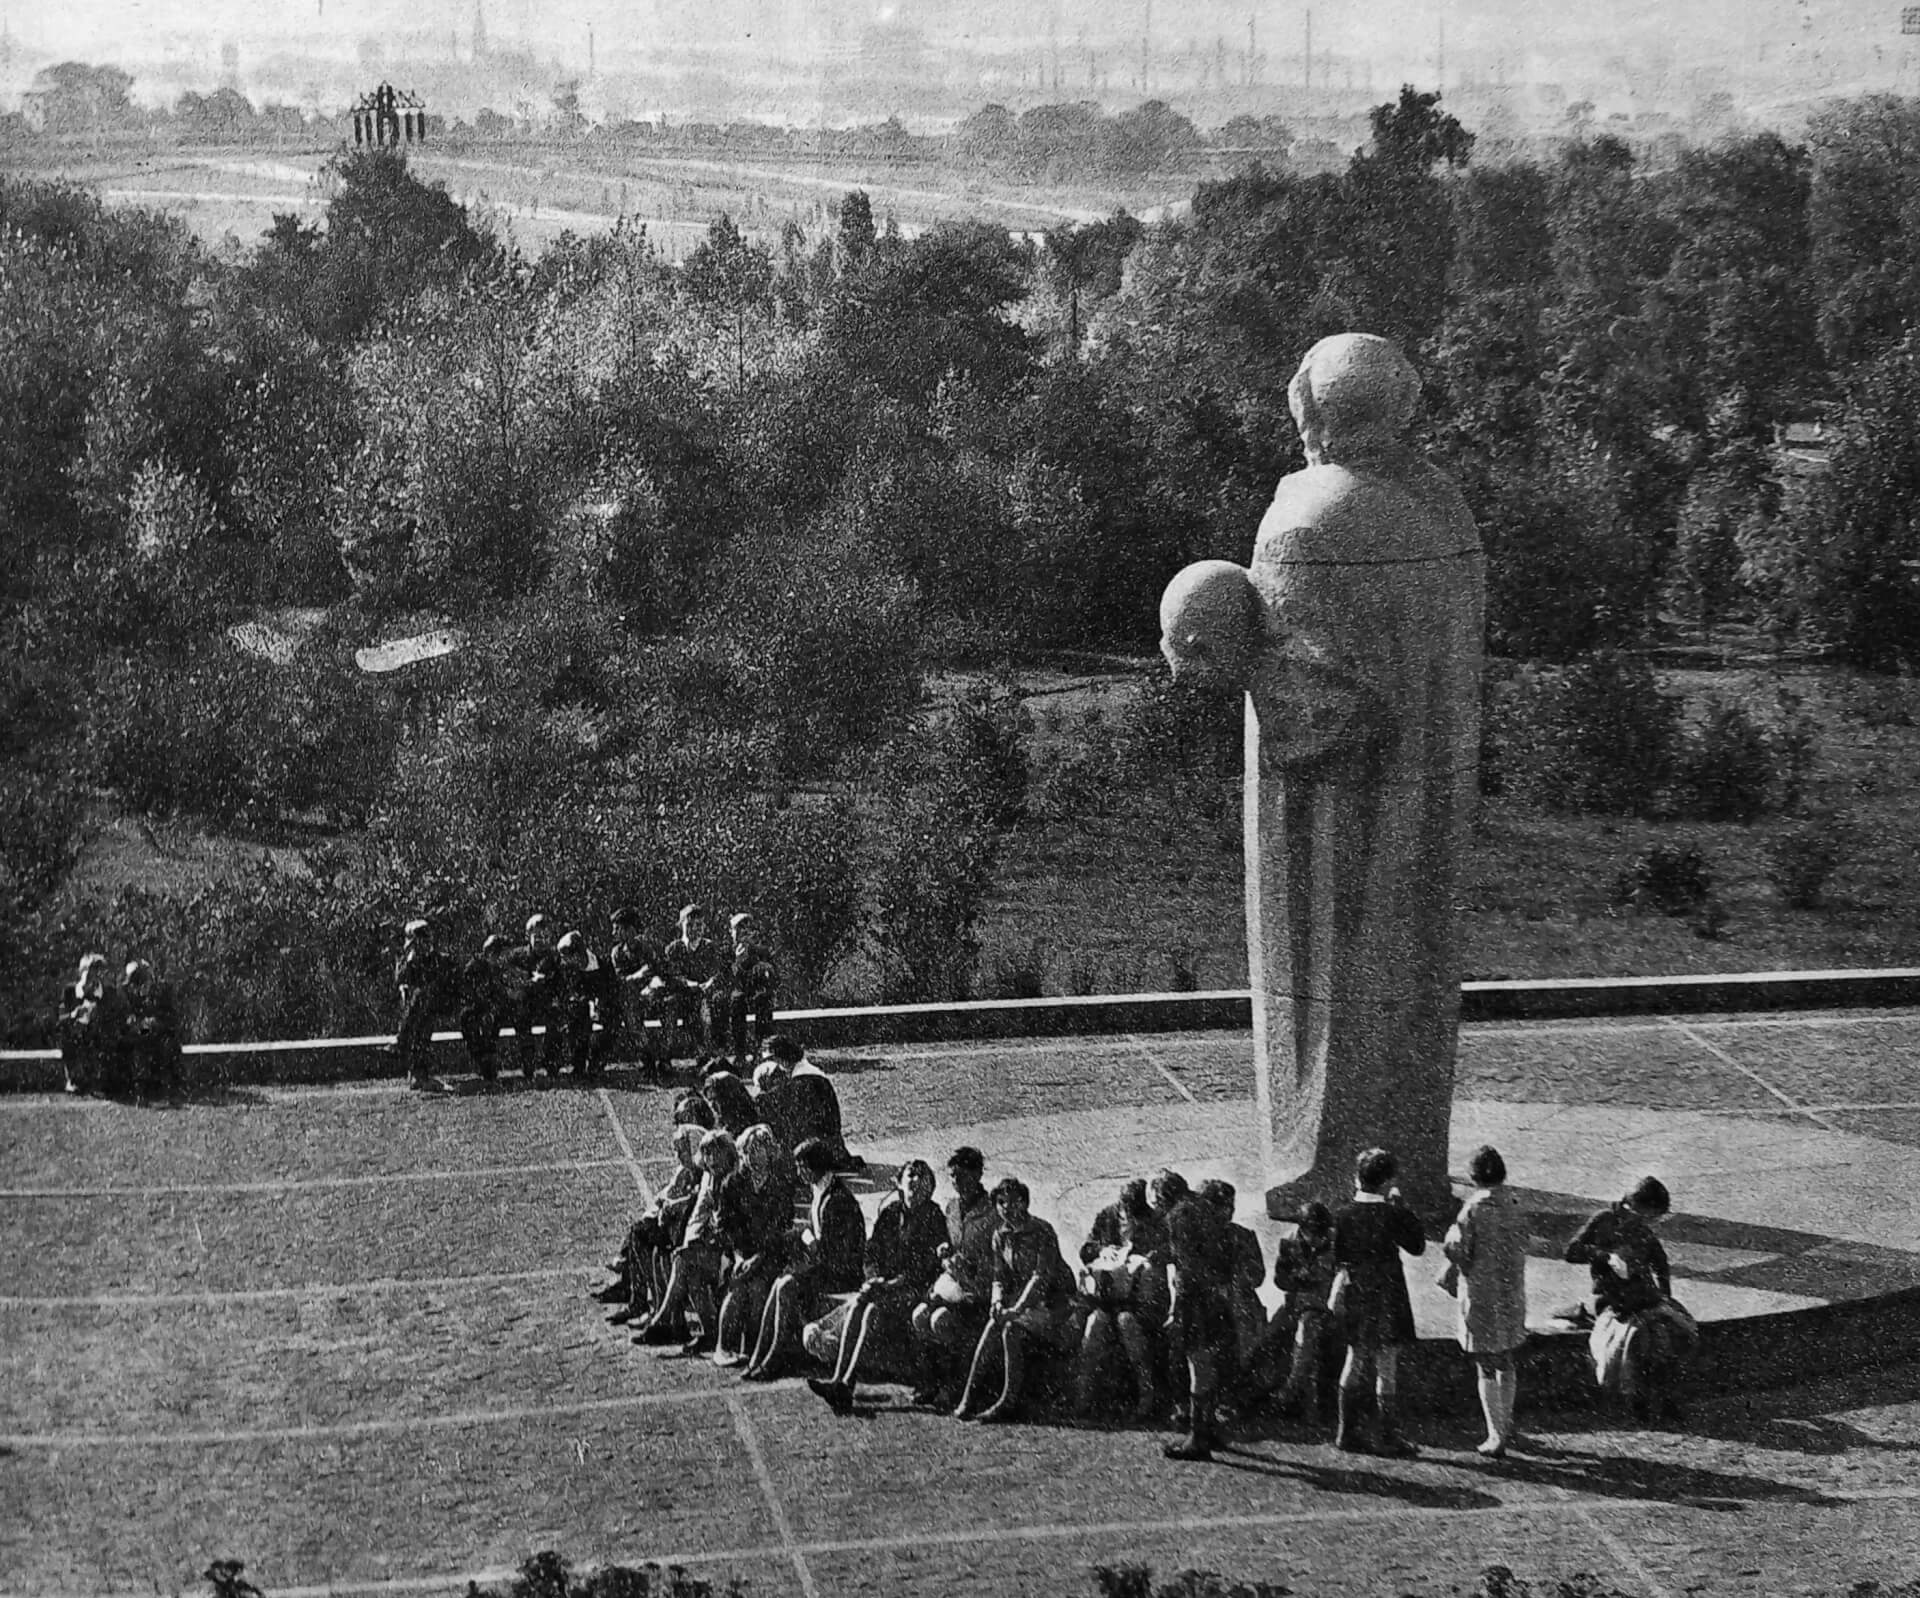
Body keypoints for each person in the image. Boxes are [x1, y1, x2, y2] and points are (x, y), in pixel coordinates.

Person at [808, 1158, 950, 1413]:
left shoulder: (934, 1217)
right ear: (899, 1183)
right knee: (863, 1304)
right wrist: (873, 1278)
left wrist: (889, 1284)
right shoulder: (891, 1213)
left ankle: (844, 1384)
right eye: (912, 1175)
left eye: (923, 1177)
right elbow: (871, 1253)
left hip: (914, 1291)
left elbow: (926, 1269)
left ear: (930, 1186)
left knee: (870, 1309)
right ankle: (840, 1380)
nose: (917, 1181)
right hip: (885, 1288)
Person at [1565, 1176, 1697, 1426]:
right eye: (1651, 1217)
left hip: (1642, 1296)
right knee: (1639, 1337)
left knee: (1668, 1333)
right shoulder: (1603, 1220)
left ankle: (1667, 1399)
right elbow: (1571, 1251)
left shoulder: (1641, 1228)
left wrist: (1665, 1293)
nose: (1651, 1223)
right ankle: (1639, 1401)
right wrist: (1604, 1256)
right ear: (1635, 1207)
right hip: (1610, 1298)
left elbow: (1660, 1261)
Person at [743, 1136, 866, 1381]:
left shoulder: (837, 1201)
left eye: (801, 1166)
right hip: (827, 1266)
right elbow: (813, 1237)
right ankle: (760, 1355)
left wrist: (806, 1239)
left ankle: (774, 1358)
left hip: (842, 1275)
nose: (798, 1172)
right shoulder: (821, 1189)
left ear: (815, 1167)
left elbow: (827, 1251)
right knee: (781, 1282)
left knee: (787, 1284)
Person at [1331, 1147, 1428, 1457]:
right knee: (1387, 1365)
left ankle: (1346, 1431)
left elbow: (1338, 1256)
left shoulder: (1342, 1213)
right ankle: (1387, 1435)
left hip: (1358, 1291)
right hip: (1389, 1293)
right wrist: (1402, 1207)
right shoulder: (1392, 1213)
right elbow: (1416, 1246)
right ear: (1387, 1181)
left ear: (1357, 1178)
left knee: (1355, 1358)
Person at [955, 1177, 1076, 1424]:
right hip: (1023, 1302)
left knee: (1010, 1328)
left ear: (1025, 1203)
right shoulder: (1000, 1235)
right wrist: (996, 1303)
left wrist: (1016, 1309)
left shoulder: (1042, 1231)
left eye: (1012, 1202)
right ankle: (968, 1397)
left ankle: (1008, 1402)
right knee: (993, 1324)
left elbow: (1040, 1278)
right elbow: (998, 1276)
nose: (1006, 1208)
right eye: (1001, 1202)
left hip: (1053, 1303)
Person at [1443, 1144, 1531, 1458]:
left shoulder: (1473, 1209)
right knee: (1507, 1359)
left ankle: (1495, 1434)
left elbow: (1461, 1252)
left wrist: (1450, 1240)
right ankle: (1505, 1423)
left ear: (1474, 1176)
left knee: (1485, 1364)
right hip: (1511, 1292)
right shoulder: (1516, 1204)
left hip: (1481, 1294)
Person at [634, 1129, 739, 1354]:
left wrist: (700, 1242)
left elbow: (728, 1226)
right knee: (688, 1268)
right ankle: (708, 1332)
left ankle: (663, 1319)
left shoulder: (734, 1180)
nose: (711, 1161)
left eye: (715, 1155)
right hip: (711, 1248)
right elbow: (700, 1216)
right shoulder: (709, 1177)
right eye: (707, 1155)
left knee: (684, 1259)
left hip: (730, 1252)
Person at [1073, 1178, 1168, 1424]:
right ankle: (1084, 1395)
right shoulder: (1106, 1216)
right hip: (1109, 1297)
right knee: (1096, 1323)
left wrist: (1146, 1260)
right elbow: (1086, 1250)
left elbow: (1166, 1253)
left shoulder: (1156, 1221)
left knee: (1127, 1322)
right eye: (1125, 1209)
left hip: (1145, 1300)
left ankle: (1147, 1395)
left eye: (1133, 1211)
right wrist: (1101, 1251)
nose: (1128, 1216)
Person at [1160, 1172, 1240, 1461]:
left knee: (1198, 1364)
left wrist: (1177, 1304)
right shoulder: (1207, 1210)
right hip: (1216, 1297)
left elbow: (1186, 1265)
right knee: (1209, 1363)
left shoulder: (1178, 1215)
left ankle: (1198, 1437)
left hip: (1194, 1298)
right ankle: (1208, 1428)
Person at [1234, 1201, 1338, 1422]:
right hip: (1295, 1304)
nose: (1318, 1238)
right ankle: (1247, 1393)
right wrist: (1297, 1279)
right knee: (1265, 1338)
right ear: (1303, 1230)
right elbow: (1280, 1280)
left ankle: (1287, 1393)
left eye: (1321, 1233)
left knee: (1306, 1333)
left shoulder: (1336, 1243)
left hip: (1324, 1308)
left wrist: (1311, 1280)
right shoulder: (1289, 1242)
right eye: (1313, 1233)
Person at [910, 1146, 997, 1408]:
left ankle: (953, 1385)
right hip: (954, 1285)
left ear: (978, 1174)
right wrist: (945, 1251)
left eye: (963, 1175)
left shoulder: (992, 1212)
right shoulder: (952, 1208)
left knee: (940, 1320)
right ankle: (929, 1382)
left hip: (978, 1292)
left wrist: (968, 1269)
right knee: (919, 1315)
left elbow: (997, 1261)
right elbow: (952, 1243)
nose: (957, 1182)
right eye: (953, 1176)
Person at [598, 1123, 705, 1324]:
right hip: (677, 1229)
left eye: (682, 1151)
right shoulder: (684, 1172)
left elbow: (693, 1203)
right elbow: (664, 1197)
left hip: (692, 1237)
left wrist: (673, 1206)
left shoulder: (705, 1174)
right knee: (640, 1233)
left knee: (650, 1243)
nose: (678, 1156)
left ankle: (656, 1308)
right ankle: (641, 1302)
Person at [715, 1124, 798, 1366]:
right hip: (739, 1254)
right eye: (749, 1151)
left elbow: (780, 1229)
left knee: (759, 1287)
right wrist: (740, 1257)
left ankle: (753, 1348)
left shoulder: (780, 1187)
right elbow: (726, 1226)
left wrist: (757, 1259)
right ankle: (723, 1346)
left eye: (760, 1150)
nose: (754, 1156)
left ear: (770, 1153)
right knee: (737, 1286)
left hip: (769, 1255)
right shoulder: (732, 1183)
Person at [1203, 1179, 1269, 1403]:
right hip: (1208, 1301)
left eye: (1230, 1206)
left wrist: (1236, 1280)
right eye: (1222, 1206)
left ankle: (1238, 1392)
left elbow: (1257, 1276)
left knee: (1243, 1328)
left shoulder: (1244, 1236)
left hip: (1240, 1303)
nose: (1228, 1212)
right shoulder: (1197, 1239)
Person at [762, 1035, 863, 1171]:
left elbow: (804, 1121)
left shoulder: (805, 1080)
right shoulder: (806, 1073)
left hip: (818, 1142)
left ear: (783, 1058)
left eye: (774, 1059)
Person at [660, 904, 725, 1061]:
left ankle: (707, 1053)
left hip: (704, 993)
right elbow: (671, 974)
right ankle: (667, 1054)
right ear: (681, 925)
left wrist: (709, 983)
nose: (694, 929)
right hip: (682, 993)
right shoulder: (674, 949)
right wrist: (687, 983)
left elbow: (717, 972)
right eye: (689, 925)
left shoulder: (710, 947)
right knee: (670, 1005)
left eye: (699, 925)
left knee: (712, 1007)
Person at [57, 953, 126, 1097]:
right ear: (80, 972)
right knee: (68, 1037)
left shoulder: (109, 993)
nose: (91, 977)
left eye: (96, 972)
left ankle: (101, 1081)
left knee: (106, 1038)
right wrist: (73, 1015)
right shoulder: (69, 991)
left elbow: (117, 1017)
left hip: (99, 1032)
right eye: (87, 971)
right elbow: (60, 1019)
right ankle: (73, 1079)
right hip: (76, 1032)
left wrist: (99, 1014)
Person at [606, 907, 664, 1074]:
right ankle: (648, 1060)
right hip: (632, 998)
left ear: (629, 929)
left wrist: (646, 982)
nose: (614, 932)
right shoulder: (617, 953)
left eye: (617, 928)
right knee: (630, 1012)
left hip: (654, 993)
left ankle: (656, 1060)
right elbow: (622, 980)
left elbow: (656, 970)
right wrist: (639, 976)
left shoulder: (647, 946)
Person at [394, 919, 451, 1091]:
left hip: (441, 1004)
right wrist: (410, 962)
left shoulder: (440, 960)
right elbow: (400, 981)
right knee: (420, 1015)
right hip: (417, 1010)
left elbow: (443, 987)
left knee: (422, 998)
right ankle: (418, 1075)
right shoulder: (407, 960)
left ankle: (401, 1042)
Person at [506, 915, 563, 1082]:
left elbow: (561, 983)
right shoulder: (517, 956)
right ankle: (528, 1066)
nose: (540, 940)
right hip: (525, 1002)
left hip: (547, 1002)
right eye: (536, 935)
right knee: (521, 1015)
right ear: (527, 935)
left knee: (556, 1016)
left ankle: (552, 1065)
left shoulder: (555, 957)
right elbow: (510, 978)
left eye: (544, 936)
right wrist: (529, 980)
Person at [722, 913, 779, 1068]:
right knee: (737, 1002)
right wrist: (737, 961)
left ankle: (760, 1051)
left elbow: (772, 974)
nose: (742, 935)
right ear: (731, 932)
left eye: (745, 931)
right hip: (736, 991)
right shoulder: (727, 951)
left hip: (756, 992)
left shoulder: (760, 951)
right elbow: (726, 978)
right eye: (737, 930)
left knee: (764, 1001)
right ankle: (740, 1053)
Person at [121, 960, 184, 1097]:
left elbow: (172, 1017)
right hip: (140, 1032)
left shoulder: (163, 992)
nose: (138, 986)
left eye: (141, 980)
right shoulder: (128, 994)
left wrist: (155, 1022)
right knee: (138, 1041)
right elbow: (126, 1016)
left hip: (161, 1032)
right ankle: (140, 1088)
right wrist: (134, 1021)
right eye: (135, 982)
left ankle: (167, 1088)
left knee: (167, 1044)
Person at [458, 936, 513, 1084]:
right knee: (468, 1021)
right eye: (499, 955)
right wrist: (485, 1009)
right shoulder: (474, 967)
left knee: (495, 1021)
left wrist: (493, 1009)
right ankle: (482, 1061)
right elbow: (468, 993)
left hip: (493, 1009)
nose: (502, 959)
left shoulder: (498, 968)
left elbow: (501, 992)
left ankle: (490, 1059)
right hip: (474, 1009)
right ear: (490, 953)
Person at [553, 931, 606, 1080]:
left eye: (566, 956)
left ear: (576, 955)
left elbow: (606, 992)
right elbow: (566, 991)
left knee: (605, 1028)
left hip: (602, 1010)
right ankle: (579, 1066)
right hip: (579, 1011)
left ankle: (596, 1064)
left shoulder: (601, 965)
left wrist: (596, 1004)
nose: (563, 961)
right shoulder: (568, 969)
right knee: (576, 1023)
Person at [702, 1066, 762, 1138]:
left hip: (741, 1117)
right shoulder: (717, 1093)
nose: (711, 1103)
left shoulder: (727, 1086)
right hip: (739, 1116)